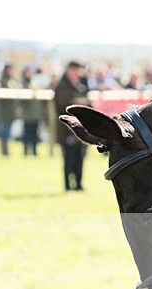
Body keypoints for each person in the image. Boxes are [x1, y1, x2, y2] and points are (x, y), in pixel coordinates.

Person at [52, 60, 90, 191]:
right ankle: (68, 185)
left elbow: (88, 105)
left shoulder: (79, 87)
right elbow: (64, 108)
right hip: (66, 130)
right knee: (68, 159)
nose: (78, 74)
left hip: (81, 128)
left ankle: (78, 184)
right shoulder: (61, 87)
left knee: (80, 158)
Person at [0, 63, 21, 157]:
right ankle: (4, 151)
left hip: (11, 111)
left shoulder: (12, 79)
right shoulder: (2, 80)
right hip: (4, 111)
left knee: (8, 132)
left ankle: (6, 151)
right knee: (4, 132)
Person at [20, 66, 43, 156]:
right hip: (27, 114)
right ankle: (26, 151)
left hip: (35, 113)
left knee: (35, 133)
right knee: (27, 133)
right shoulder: (22, 83)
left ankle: (34, 151)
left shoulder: (34, 82)